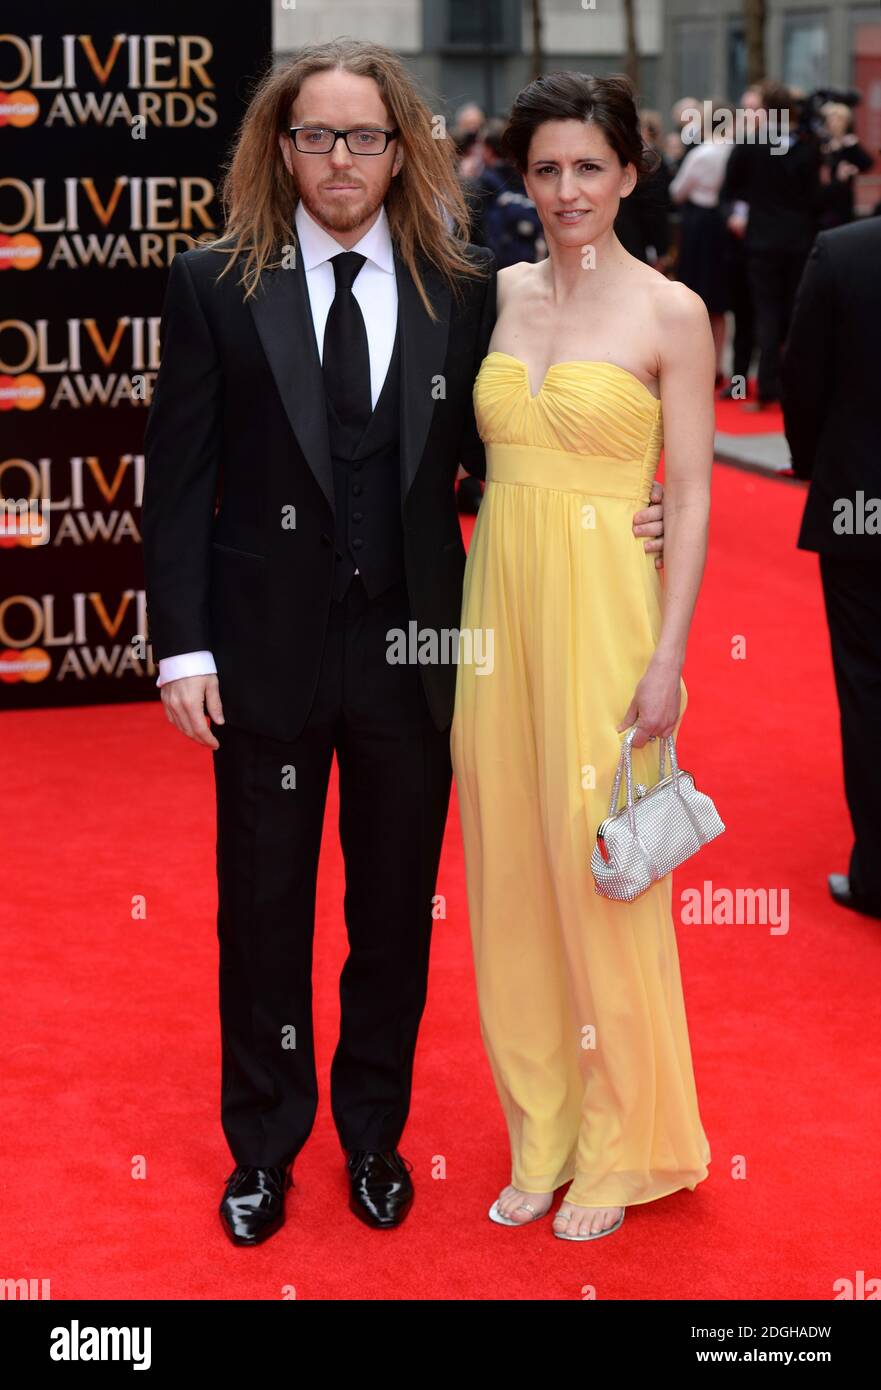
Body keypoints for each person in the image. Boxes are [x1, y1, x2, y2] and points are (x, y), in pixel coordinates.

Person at [141, 39, 668, 1247]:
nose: (342, 158)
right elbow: (178, 480)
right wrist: (182, 647)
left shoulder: (460, 284)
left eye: (365, 136)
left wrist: (626, 498)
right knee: (262, 912)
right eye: (318, 135)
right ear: (283, 146)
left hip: (420, 660)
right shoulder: (216, 280)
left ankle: (373, 1133)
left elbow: (504, 448)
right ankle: (263, 1148)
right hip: (260, 658)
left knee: (391, 914)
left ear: (400, 149)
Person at [450, 72, 714, 1241]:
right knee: (506, 873)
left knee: (598, 875)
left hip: (607, 613)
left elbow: (697, 496)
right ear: (523, 174)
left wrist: (667, 659)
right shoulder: (497, 288)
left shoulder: (671, 311)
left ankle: (623, 1143)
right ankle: (540, 1129)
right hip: (493, 613)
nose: (566, 190)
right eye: (546, 168)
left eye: (588, 168)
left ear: (628, 174)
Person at [781, 216, 881, 922]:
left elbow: (801, 374)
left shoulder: (844, 251)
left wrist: (816, 464)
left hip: (859, 507)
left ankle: (877, 873)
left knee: (869, 688)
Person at [722, 80, 821, 409]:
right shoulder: (809, 145)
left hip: (764, 240)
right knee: (791, 313)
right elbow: (814, 198)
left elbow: (729, 192)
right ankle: (788, 384)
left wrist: (738, 215)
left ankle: (768, 386)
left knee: (767, 313)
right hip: (797, 240)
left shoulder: (750, 144)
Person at [669, 100, 734, 380]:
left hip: (698, 226)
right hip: (724, 225)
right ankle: (718, 365)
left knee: (693, 296)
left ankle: (694, 365)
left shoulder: (701, 154)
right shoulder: (735, 152)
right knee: (718, 302)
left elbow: (677, 191)